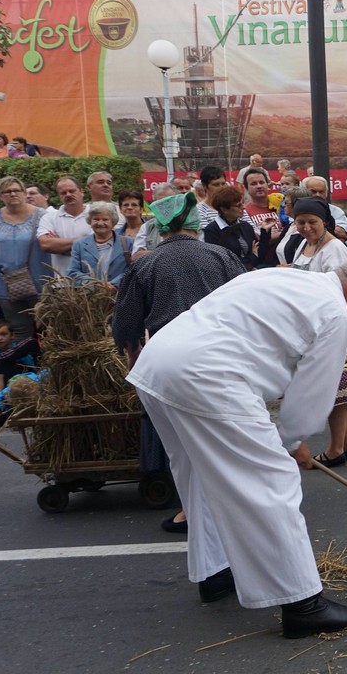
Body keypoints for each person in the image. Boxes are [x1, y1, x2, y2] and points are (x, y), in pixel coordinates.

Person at [127, 256, 347, 637]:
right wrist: (291, 442)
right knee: (272, 482)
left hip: (160, 364)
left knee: (200, 474)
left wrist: (289, 436)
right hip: (207, 376)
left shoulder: (284, 277)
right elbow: (312, 395)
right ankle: (303, 603)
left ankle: (216, 571)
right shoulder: (335, 313)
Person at [114, 192, 246, 535]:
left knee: (181, 442)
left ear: (160, 227)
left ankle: (191, 510)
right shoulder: (222, 256)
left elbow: (126, 323)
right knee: (222, 431)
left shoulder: (145, 264)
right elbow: (246, 307)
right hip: (219, 357)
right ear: (193, 224)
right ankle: (232, 504)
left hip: (167, 359)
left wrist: (131, 352)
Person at [280, 198, 347, 467]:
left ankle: (335, 449)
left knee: (335, 390)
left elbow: (342, 287)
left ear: (324, 221)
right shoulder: (305, 244)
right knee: (339, 388)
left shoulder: (335, 249)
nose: (305, 227)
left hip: (333, 323)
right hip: (316, 323)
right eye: (300, 222)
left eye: (311, 222)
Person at [0, 177, 50, 339]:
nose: (12, 194)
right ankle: (25, 364)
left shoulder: (43, 216)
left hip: (41, 285)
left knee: (48, 329)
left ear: (24, 193)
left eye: (16, 190)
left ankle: (48, 364)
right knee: (20, 331)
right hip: (6, 286)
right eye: (7, 191)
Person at [67, 202, 131, 286]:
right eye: (96, 219)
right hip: (89, 296)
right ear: (90, 221)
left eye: (105, 219)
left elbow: (133, 269)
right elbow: (72, 272)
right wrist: (94, 284)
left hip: (120, 295)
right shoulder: (79, 245)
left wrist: (114, 284)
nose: (100, 223)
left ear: (113, 222)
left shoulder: (128, 243)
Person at [38, 176, 92, 275]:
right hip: (63, 283)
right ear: (59, 196)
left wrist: (60, 245)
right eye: (63, 193)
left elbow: (102, 244)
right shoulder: (49, 218)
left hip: (95, 282)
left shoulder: (96, 214)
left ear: (81, 192)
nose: (68, 195)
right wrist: (87, 240)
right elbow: (46, 244)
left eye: (72, 191)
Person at [204, 185, 265, 271]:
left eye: (242, 203)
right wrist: (251, 257)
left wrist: (265, 232)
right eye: (238, 205)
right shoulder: (212, 231)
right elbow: (222, 263)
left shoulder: (245, 226)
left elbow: (260, 254)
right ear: (224, 209)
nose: (243, 207)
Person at [301, 175, 347, 240]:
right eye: (313, 191)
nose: (318, 195)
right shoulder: (297, 211)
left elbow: (342, 233)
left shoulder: (336, 211)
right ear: (304, 192)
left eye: (321, 192)